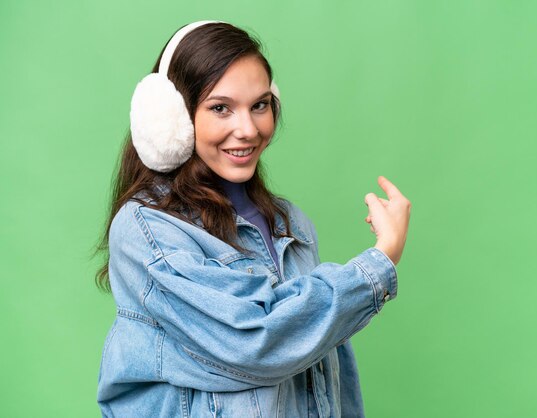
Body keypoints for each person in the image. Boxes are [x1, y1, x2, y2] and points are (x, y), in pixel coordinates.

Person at [95, 20, 411, 417]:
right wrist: (380, 261)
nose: (247, 129)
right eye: (220, 108)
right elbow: (255, 343)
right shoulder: (149, 229)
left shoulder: (289, 221)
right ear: (171, 119)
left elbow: (322, 369)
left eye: (259, 105)